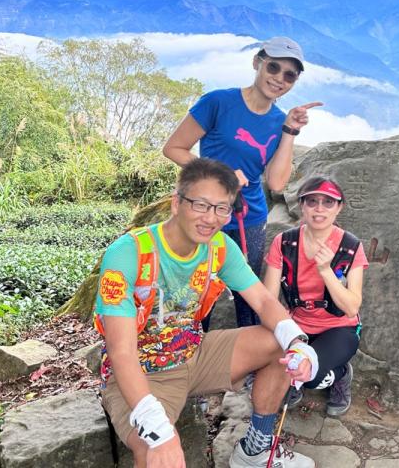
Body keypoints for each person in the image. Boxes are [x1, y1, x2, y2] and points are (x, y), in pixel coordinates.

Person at [94, 158, 318, 468]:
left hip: (194, 353)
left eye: (222, 208)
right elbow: (121, 352)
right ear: (176, 203)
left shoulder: (220, 247)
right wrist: (157, 427)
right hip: (143, 370)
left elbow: (264, 302)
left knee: (279, 343)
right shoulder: (129, 252)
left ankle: (255, 449)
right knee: (154, 448)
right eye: (200, 205)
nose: (210, 218)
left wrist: (297, 342)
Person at [163, 36, 322, 328]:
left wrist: (290, 130)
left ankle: (247, 354)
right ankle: (191, 351)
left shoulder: (278, 121)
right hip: (205, 211)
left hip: (249, 217)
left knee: (247, 296)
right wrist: (220, 173)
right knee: (197, 292)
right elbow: (173, 148)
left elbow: (276, 183)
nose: (279, 78)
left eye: (289, 75)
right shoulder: (218, 102)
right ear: (257, 63)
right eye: (273, 67)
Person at [263, 176, 368, 417]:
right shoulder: (284, 242)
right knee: (280, 363)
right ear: (302, 205)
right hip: (297, 325)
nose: (319, 209)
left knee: (310, 376)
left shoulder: (351, 246)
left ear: (339, 207)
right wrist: (288, 334)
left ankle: (341, 375)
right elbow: (268, 299)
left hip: (338, 328)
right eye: (312, 201)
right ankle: (293, 381)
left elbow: (351, 307)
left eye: (328, 202)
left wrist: (325, 270)